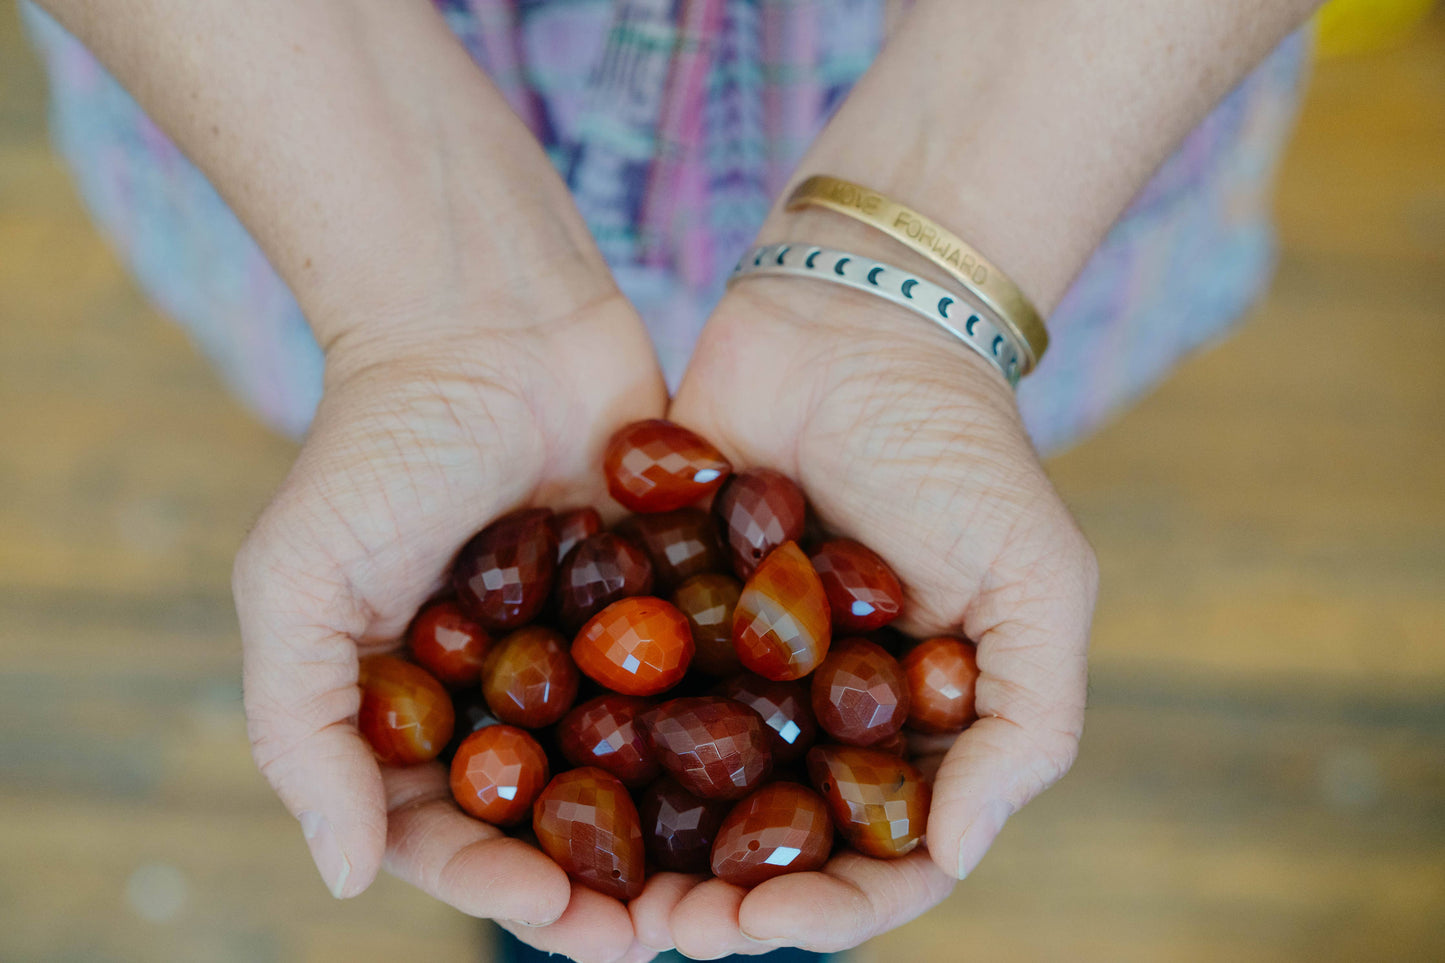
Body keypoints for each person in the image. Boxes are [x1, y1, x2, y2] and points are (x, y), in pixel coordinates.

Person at [22, 2, 1318, 960]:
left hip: (1055, 130)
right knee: (665, 892)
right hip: (304, 136)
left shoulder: (697, 624)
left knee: (704, 895)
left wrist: (927, 297)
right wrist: (415, 294)